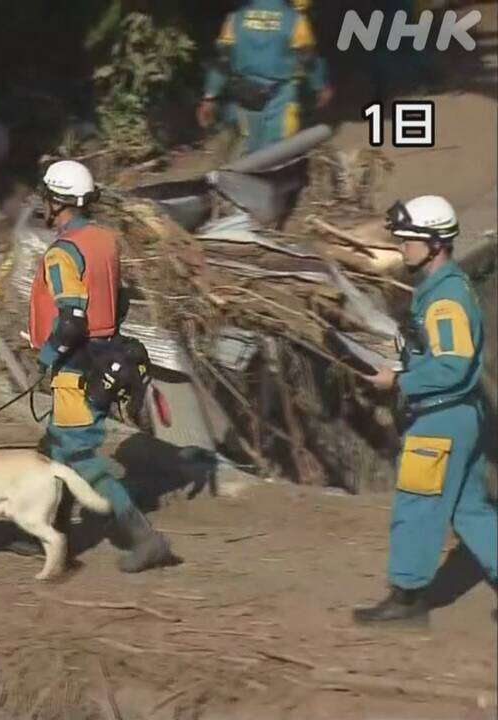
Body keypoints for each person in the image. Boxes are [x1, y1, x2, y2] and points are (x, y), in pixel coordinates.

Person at [21, 160, 176, 573]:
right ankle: (49, 531)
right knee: (54, 450)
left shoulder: (62, 253)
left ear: (58, 202)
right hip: (105, 358)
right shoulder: (104, 240)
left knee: (80, 457)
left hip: (77, 368)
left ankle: (144, 538)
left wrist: (47, 358)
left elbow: (71, 320)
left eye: (46, 199)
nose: (42, 205)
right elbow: (117, 300)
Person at [353, 196, 496, 625]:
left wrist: (399, 381)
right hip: (462, 415)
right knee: (469, 508)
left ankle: (408, 597)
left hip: (441, 418)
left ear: (435, 244)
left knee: (417, 503)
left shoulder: (444, 300)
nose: (402, 247)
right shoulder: (447, 288)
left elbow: (452, 364)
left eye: (410, 240)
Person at [197, 0, 332, 157]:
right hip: (280, 98)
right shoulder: (294, 20)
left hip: (245, 96)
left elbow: (222, 61)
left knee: (249, 149)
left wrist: (209, 97)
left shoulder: (235, 19)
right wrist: (320, 86)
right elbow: (308, 59)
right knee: (280, 151)